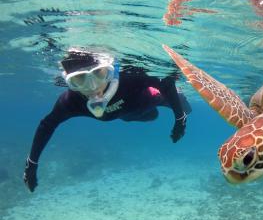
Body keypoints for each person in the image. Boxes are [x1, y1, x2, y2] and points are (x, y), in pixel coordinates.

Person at [23, 47, 191, 192]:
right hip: (128, 115)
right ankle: (150, 113)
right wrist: (31, 165)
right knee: (150, 117)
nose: (93, 86)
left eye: (99, 74)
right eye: (79, 80)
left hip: (150, 99)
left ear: (110, 71)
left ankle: (180, 98)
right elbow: (47, 124)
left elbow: (167, 82)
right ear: (70, 83)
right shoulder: (71, 101)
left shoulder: (130, 76)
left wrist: (180, 119)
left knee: (183, 107)